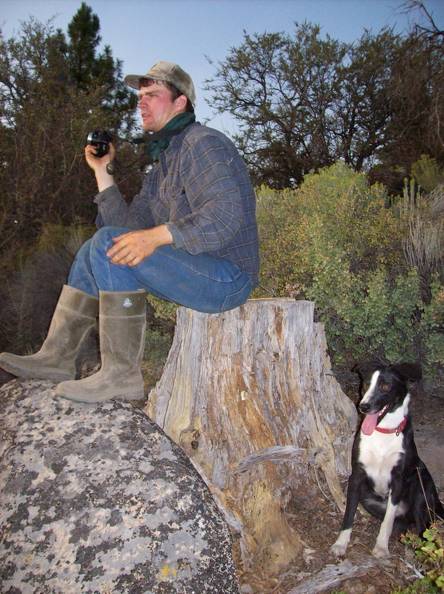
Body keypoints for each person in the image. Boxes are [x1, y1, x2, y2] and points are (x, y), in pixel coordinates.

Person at [0, 61, 260, 404]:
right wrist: (102, 172)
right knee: (96, 247)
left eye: (152, 95)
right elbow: (121, 231)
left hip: (227, 278)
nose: (141, 102)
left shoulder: (203, 143)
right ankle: (57, 359)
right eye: (140, 96)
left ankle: (121, 375)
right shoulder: (163, 164)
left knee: (109, 244)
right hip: (192, 269)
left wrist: (155, 237)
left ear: (180, 103)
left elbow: (224, 217)